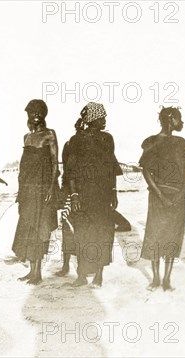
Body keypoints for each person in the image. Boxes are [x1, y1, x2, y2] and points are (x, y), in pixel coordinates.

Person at [66, 102, 121, 288]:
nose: (105, 120)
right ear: (92, 119)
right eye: (102, 117)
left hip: (103, 193)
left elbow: (112, 168)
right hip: (82, 194)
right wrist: (73, 194)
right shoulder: (76, 141)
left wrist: (114, 191)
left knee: (103, 232)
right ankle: (81, 274)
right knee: (82, 233)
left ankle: (99, 275)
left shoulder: (107, 139)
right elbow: (70, 170)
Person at [140, 106, 185, 292]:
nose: (182, 123)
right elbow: (146, 171)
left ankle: (167, 280)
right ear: (171, 120)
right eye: (179, 119)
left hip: (178, 198)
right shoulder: (151, 142)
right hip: (157, 197)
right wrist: (161, 196)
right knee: (155, 235)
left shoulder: (181, 143)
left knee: (173, 235)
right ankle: (156, 279)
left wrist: (181, 193)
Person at [12, 99, 59, 285]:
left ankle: (38, 273)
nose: (36, 115)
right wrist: (20, 191)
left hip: (42, 189)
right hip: (27, 189)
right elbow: (23, 168)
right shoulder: (26, 137)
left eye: (39, 112)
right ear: (29, 115)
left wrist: (51, 188)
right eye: (33, 112)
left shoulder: (50, 134)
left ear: (44, 114)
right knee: (28, 228)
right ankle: (31, 271)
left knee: (40, 228)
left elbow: (55, 163)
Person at [55, 118, 83, 277]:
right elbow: (68, 170)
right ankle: (68, 266)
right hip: (72, 191)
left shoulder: (70, 145)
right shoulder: (71, 145)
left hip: (73, 190)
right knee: (70, 228)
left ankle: (71, 267)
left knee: (72, 228)